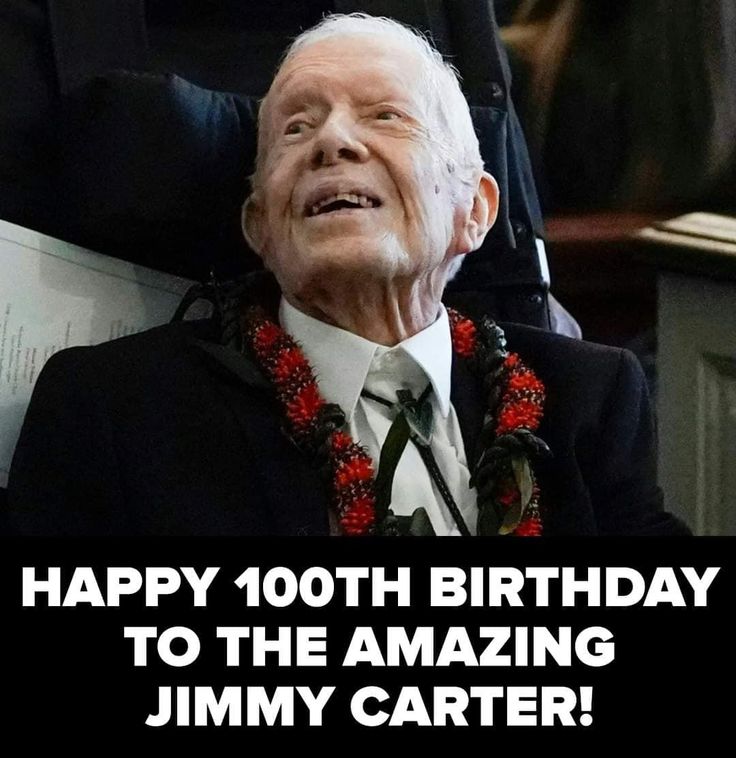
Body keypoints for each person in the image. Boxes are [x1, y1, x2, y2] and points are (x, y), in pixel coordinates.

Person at [6, 13, 688, 536]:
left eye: (385, 115)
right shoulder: (114, 411)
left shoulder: (589, 399)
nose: (334, 140)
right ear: (258, 225)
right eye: (295, 129)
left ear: (474, 210)